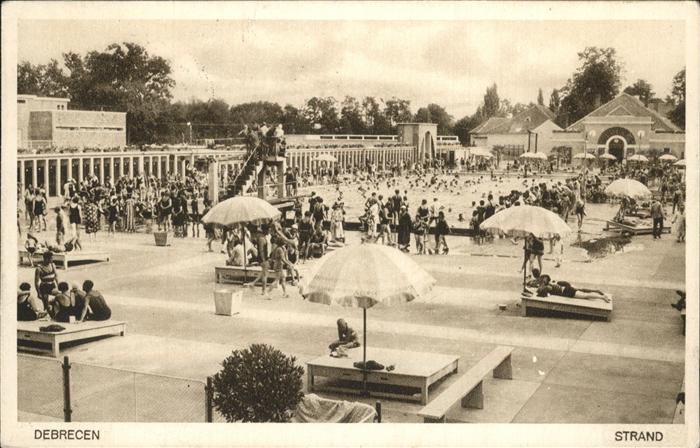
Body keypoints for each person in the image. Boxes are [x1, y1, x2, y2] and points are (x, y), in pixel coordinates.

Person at [535, 276, 611, 303]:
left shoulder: (548, 286)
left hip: (567, 291)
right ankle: (600, 295)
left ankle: (602, 297)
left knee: (585, 296)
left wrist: (540, 287)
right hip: (567, 289)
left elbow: (542, 291)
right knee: (584, 293)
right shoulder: (550, 284)